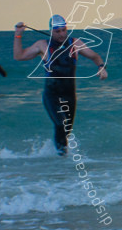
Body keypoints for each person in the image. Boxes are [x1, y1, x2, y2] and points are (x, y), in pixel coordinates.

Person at [13, 15, 108, 155]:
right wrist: (18, 36)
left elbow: (95, 56)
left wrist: (101, 67)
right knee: (60, 124)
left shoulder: (75, 44)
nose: (62, 34)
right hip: (51, 94)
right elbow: (19, 56)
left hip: (69, 95)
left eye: (64, 30)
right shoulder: (42, 45)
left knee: (66, 131)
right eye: (57, 31)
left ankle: (59, 161)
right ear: (51, 31)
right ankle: (61, 158)